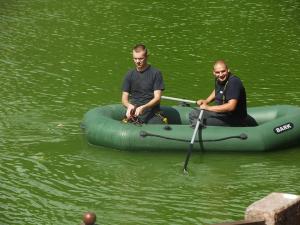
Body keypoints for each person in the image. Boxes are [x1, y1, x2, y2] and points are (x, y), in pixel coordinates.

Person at [189, 60, 256, 127]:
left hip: (233, 118)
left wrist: (208, 108)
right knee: (193, 114)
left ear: (228, 70)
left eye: (223, 71)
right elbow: (217, 90)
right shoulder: (219, 79)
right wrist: (206, 101)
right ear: (214, 73)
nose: (220, 75)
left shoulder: (234, 82)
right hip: (221, 114)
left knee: (203, 120)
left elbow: (231, 106)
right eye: (217, 72)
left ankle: (205, 132)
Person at [121, 44, 165, 124]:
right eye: (135, 58)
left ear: (147, 57)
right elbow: (124, 99)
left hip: (151, 112)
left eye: (140, 58)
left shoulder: (156, 73)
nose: (137, 61)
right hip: (133, 112)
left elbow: (157, 98)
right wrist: (129, 106)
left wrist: (144, 107)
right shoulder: (129, 74)